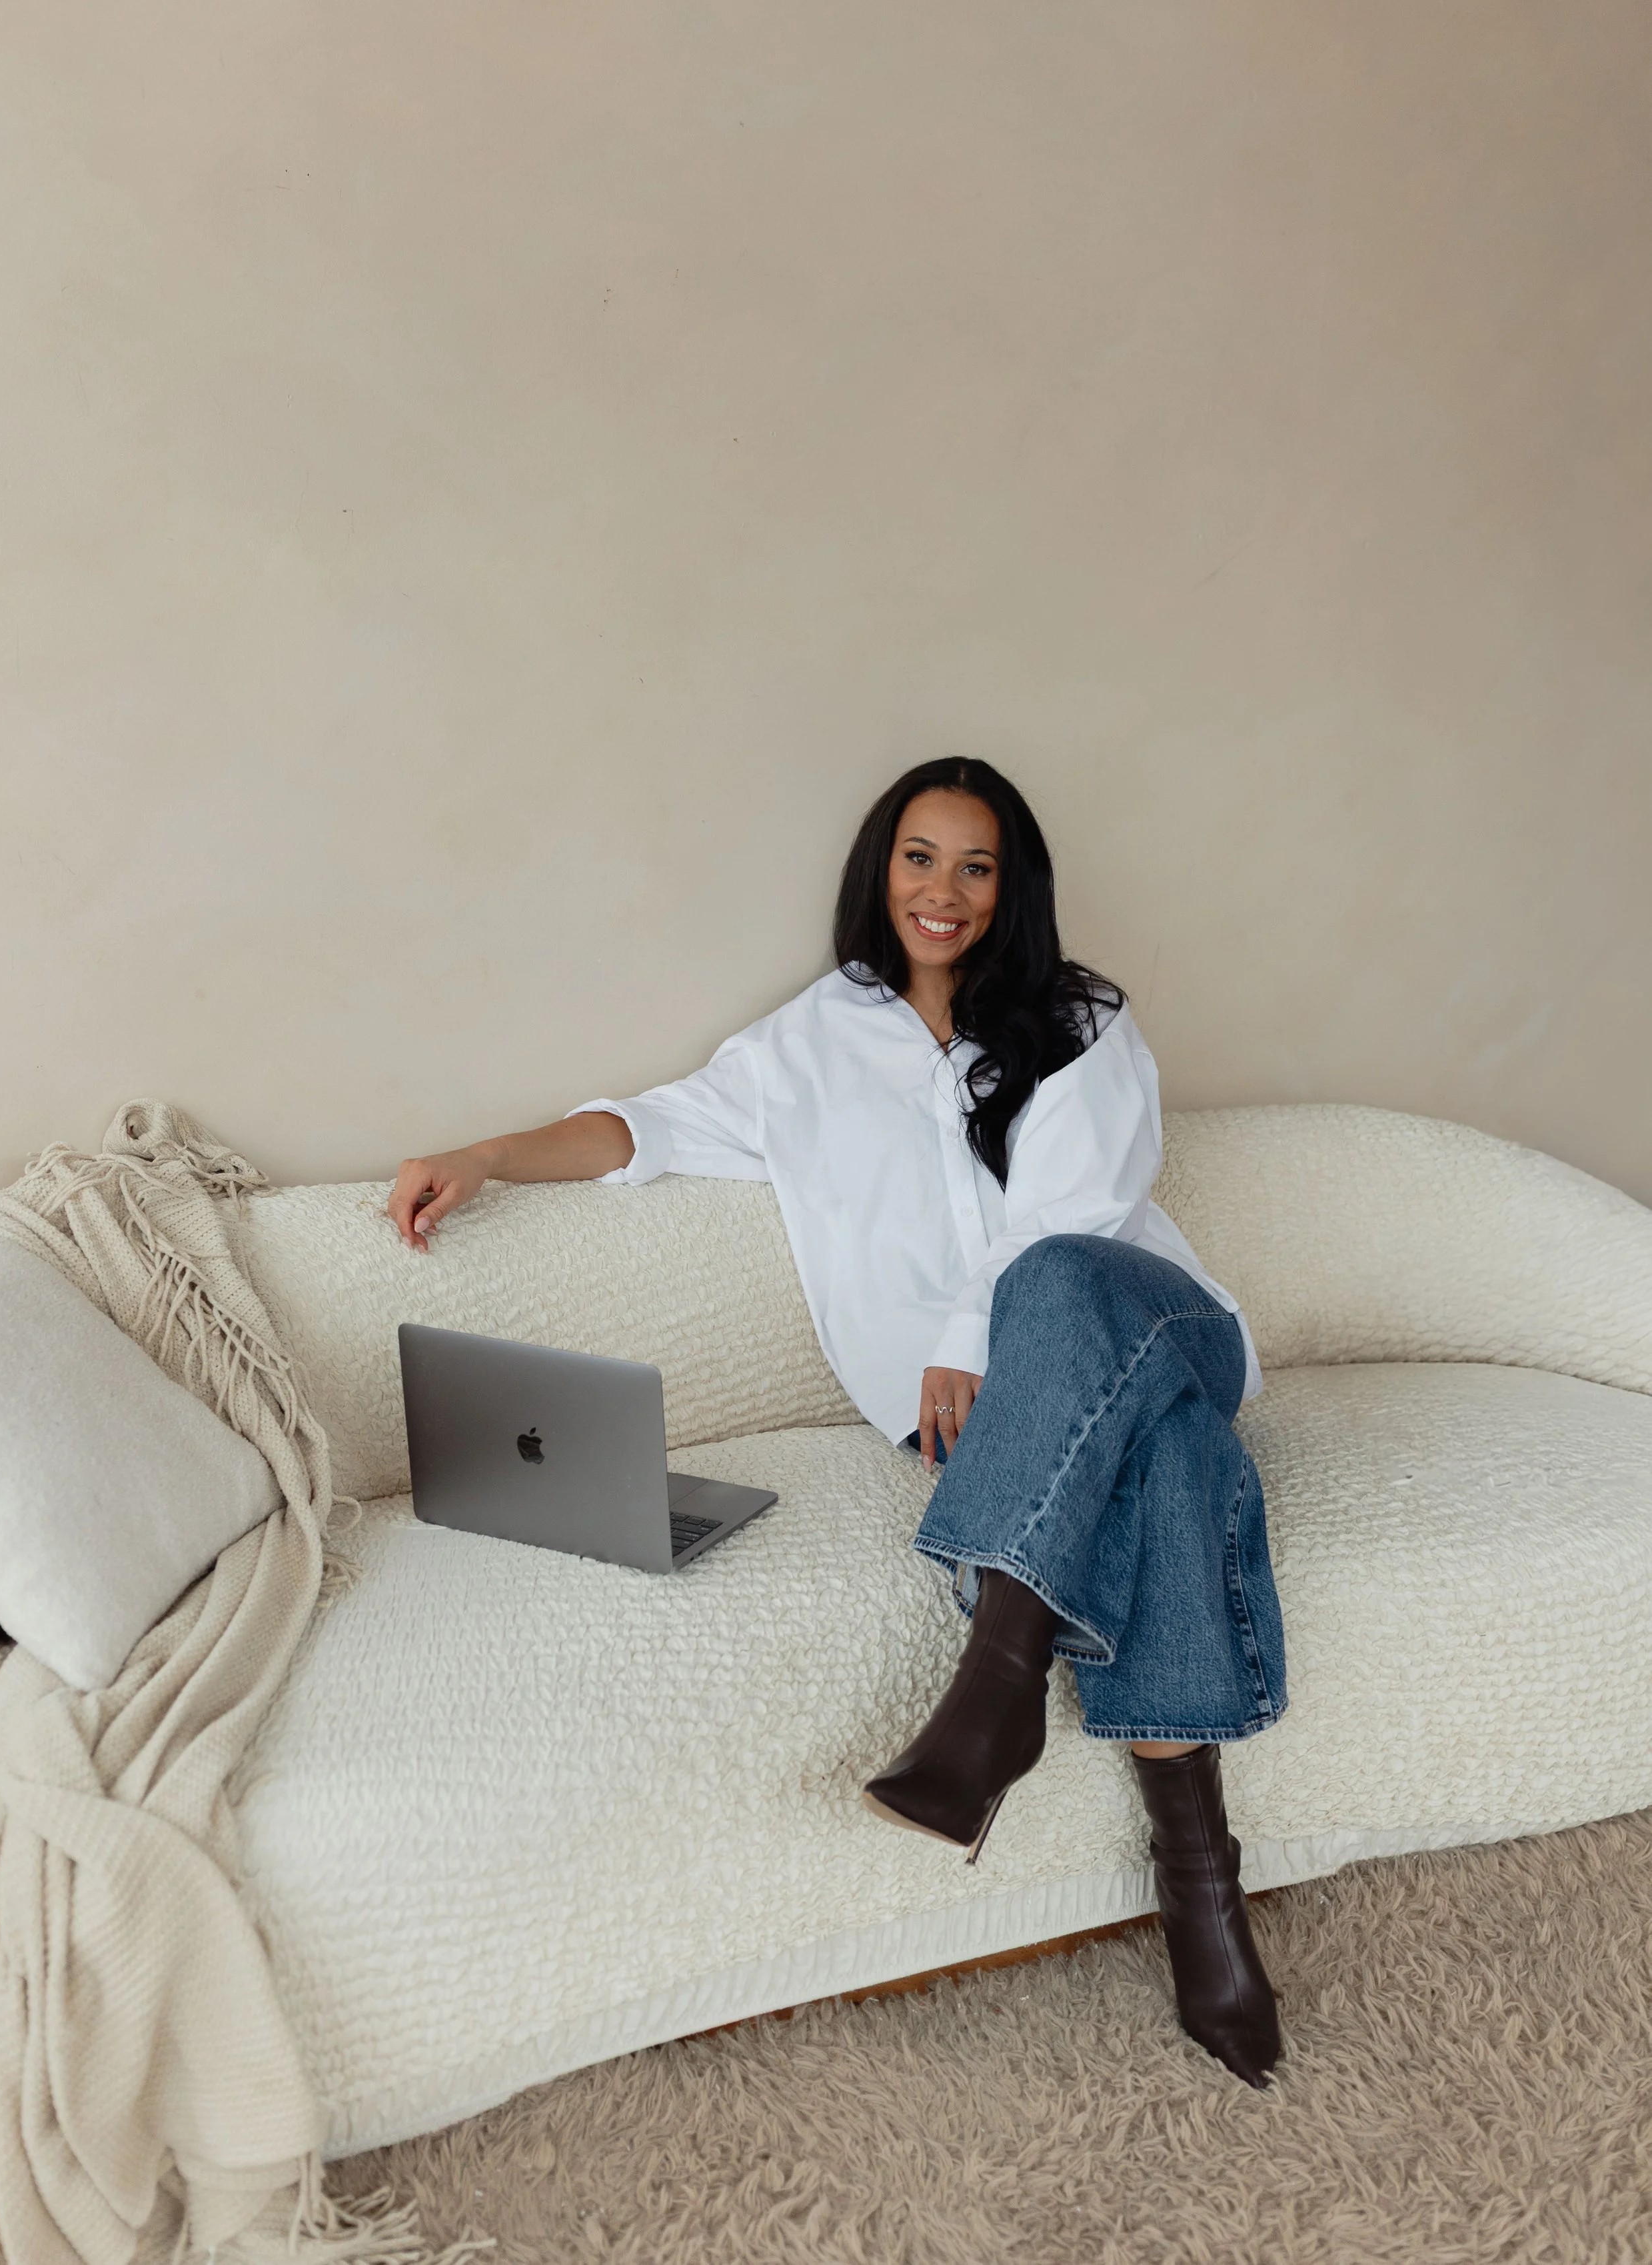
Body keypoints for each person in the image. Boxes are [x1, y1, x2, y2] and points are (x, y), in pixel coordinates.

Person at [387, 756, 1287, 2087]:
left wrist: (960, 1340)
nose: (944, 891)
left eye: (975, 866)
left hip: (1160, 1335)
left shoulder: (1078, 1016)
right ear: (881, 869)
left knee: (1070, 1302)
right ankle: (1201, 1894)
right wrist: (478, 1155)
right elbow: (643, 1130)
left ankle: (992, 1689)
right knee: (1178, 1470)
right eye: (920, 858)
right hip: (1044, 1435)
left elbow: (1076, 1213)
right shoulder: (802, 1049)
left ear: (1011, 887)